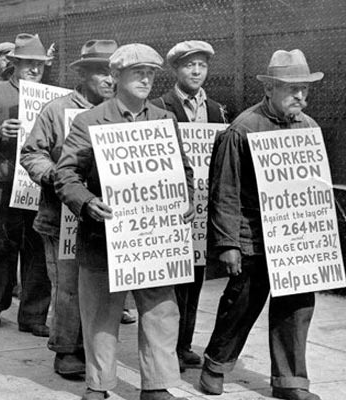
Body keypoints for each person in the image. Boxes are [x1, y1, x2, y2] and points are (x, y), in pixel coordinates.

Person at [55, 43, 194, 400]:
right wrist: (87, 203)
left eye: (151, 73)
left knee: (161, 309)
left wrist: (186, 199)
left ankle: (157, 384)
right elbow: (66, 174)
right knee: (102, 313)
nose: (146, 79)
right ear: (116, 77)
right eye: (138, 73)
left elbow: (185, 171)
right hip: (103, 235)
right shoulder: (90, 121)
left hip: (155, 237)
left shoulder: (164, 120)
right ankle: (99, 384)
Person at [199, 49, 323, 400]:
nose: (299, 96)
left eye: (304, 89)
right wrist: (228, 245)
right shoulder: (242, 129)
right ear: (269, 89)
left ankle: (290, 382)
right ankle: (216, 365)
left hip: (294, 237)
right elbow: (225, 191)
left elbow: (314, 188)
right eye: (291, 88)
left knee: (297, 305)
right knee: (241, 303)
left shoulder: (309, 128)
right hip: (251, 235)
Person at [20, 39, 118, 377]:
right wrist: (55, 175)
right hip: (61, 216)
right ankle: (66, 350)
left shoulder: (121, 112)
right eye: (103, 73)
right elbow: (31, 153)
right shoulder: (56, 110)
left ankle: (95, 348)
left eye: (114, 74)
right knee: (68, 285)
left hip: (105, 215)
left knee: (101, 285)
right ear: (86, 75)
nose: (110, 81)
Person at [150, 40, 228, 370]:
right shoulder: (159, 106)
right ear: (175, 70)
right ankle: (166, 348)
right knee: (171, 282)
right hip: (172, 206)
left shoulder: (219, 111)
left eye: (202, 65)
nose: (196, 71)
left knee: (195, 278)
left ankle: (183, 345)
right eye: (188, 65)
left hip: (203, 206)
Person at [0, 33, 52, 336]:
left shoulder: (51, 98)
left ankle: (32, 315)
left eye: (39, 65)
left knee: (38, 250)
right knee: (2, 247)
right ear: (14, 64)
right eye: (27, 63)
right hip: (2, 182)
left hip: (36, 185)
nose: (33, 69)